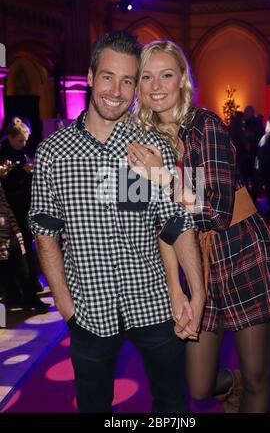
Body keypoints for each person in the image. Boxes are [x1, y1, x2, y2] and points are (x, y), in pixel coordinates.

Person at [28, 31, 206, 413]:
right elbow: (44, 232)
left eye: (128, 80)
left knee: (172, 406)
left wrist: (195, 291)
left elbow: (177, 222)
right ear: (90, 76)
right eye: (108, 76)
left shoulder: (151, 145)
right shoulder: (52, 153)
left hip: (153, 302)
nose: (117, 90)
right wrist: (64, 302)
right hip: (89, 308)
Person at [127, 40, 270, 413]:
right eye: (147, 77)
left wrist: (164, 178)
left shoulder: (205, 125)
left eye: (166, 75)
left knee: (257, 377)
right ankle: (229, 384)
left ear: (182, 79)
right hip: (193, 263)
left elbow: (217, 212)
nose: (156, 85)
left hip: (240, 249)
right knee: (199, 386)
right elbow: (148, 221)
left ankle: (245, 388)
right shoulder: (140, 141)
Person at [0, 117, 44, 294]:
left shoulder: (21, 153)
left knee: (26, 244)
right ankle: (24, 286)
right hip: (11, 207)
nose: (23, 144)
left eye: (26, 140)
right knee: (18, 247)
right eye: (20, 141)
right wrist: (17, 171)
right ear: (10, 138)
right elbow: (8, 182)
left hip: (25, 204)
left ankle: (29, 283)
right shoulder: (3, 153)